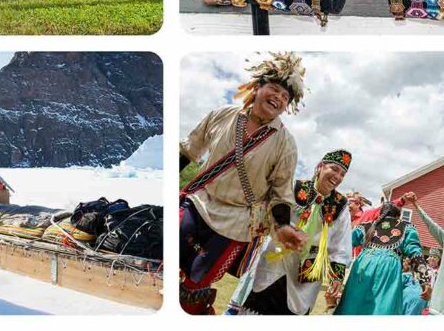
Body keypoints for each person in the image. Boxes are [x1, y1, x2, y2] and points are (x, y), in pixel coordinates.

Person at [179, 53, 307, 314]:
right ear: (257, 87)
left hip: (236, 224)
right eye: (274, 88)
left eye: (285, 97)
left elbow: (281, 193)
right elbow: (188, 150)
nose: (279, 98)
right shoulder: (223, 115)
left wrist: (282, 226)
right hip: (199, 203)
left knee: (195, 287)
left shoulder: (285, 143)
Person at [227, 149, 354, 315]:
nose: (337, 177)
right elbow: (269, 214)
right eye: (334, 169)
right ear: (320, 166)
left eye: (342, 174)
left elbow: (340, 245)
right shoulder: (295, 188)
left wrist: (336, 277)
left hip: (307, 272)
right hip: (276, 260)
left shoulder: (341, 206)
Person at [334, 200, 430, 315]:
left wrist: (336, 274)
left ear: (380, 213)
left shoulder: (366, 226)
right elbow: (416, 253)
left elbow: (343, 244)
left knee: (354, 304)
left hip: (363, 264)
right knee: (383, 307)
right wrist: (424, 281)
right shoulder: (407, 228)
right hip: (388, 267)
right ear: (398, 216)